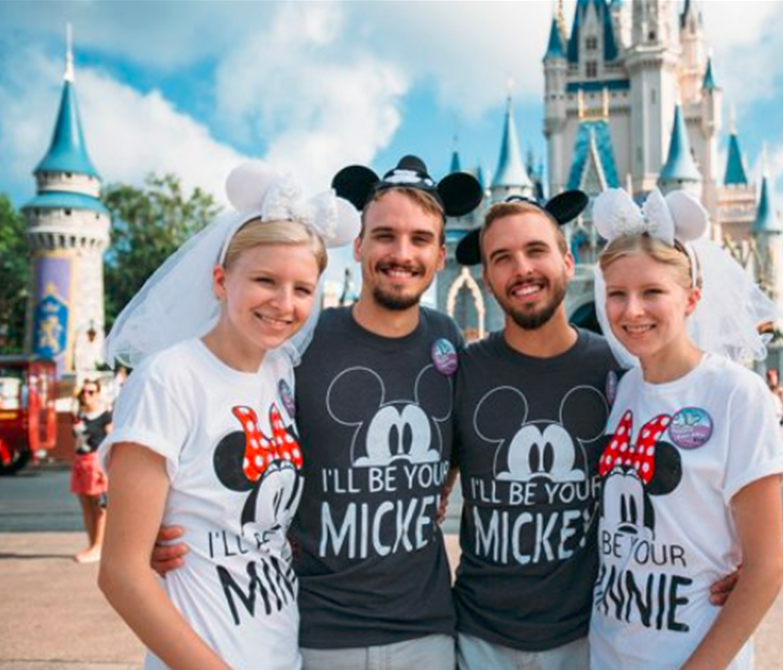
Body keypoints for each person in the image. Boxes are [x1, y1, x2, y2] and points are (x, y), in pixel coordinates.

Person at [150, 156, 483, 669]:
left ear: (441, 256)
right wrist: (164, 524)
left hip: (427, 629)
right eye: (385, 235)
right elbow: (229, 427)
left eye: (420, 240)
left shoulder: (447, 339)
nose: (401, 253)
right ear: (358, 245)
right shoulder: (301, 339)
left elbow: (460, 436)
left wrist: (443, 483)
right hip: (318, 629)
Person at [97, 160, 359, 670]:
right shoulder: (169, 379)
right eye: (265, 280)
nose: (284, 304)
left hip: (280, 650)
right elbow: (121, 574)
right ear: (221, 279)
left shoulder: (281, 371)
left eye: (303, 289)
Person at [589, 187, 783, 670]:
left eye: (652, 291)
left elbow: (766, 568)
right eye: (617, 294)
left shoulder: (735, 394)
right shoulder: (622, 392)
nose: (631, 310)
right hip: (609, 652)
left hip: (690, 656)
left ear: (691, 298)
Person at [451, 192, 615, 669]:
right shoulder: (463, 371)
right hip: (479, 640)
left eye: (536, 250)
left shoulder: (618, 370)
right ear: (487, 278)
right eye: (502, 258)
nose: (521, 268)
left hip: (587, 638)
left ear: (567, 260)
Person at [70, 378, 112, 563]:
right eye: (84, 392)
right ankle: (91, 545)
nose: (86, 395)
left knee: (100, 508)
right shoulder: (79, 415)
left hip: (96, 463)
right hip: (80, 462)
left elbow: (111, 441)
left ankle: (99, 546)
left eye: (91, 392)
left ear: (98, 394)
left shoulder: (105, 416)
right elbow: (76, 441)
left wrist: (107, 469)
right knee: (86, 506)